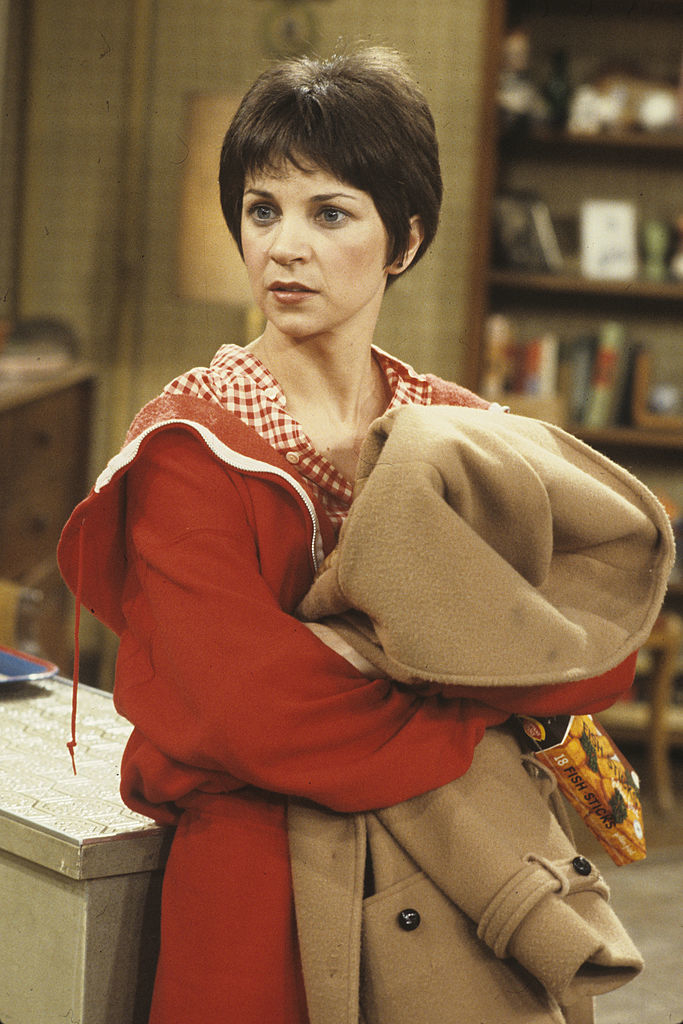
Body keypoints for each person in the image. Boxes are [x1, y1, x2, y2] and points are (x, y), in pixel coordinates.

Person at [58, 48, 640, 1024]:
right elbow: (258, 713)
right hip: (262, 895)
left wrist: (410, 672)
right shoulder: (187, 448)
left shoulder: (455, 432)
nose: (284, 247)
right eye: (262, 210)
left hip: (455, 892)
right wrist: (473, 705)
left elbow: (587, 649)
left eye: (329, 213)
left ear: (403, 239)